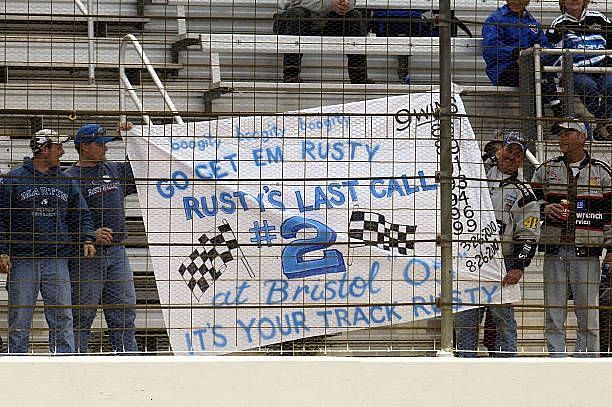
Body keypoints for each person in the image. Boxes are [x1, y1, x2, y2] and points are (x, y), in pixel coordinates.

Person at [0, 129, 96, 353]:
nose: (62, 152)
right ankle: (18, 362)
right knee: (20, 317)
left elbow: (80, 213)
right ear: (44, 149)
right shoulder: (13, 180)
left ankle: (64, 361)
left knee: (62, 316)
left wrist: (87, 237)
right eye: (58, 147)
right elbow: (1, 218)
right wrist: (2, 250)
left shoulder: (65, 180)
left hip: (56, 259)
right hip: (23, 259)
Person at [455, 132, 540, 357]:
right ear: (499, 150)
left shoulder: (525, 193)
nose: (512, 156)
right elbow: (464, 162)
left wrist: (518, 266)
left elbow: (529, 234)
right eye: (509, 150)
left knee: (504, 321)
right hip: (467, 259)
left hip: (501, 263)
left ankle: (507, 362)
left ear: (522, 160)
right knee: (465, 318)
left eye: (518, 154)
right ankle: (464, 364)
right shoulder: (476, 175)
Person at [531, 121, 611, 356]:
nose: (562, 138)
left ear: (583, 137)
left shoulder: (601, 170)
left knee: (588, 312)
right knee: (553, 311)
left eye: (569, 133)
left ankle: (587, 357)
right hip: (555, 250)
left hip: (588, 252)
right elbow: (528, 198)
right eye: (560, 134)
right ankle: (557, 356)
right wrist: (545, 207)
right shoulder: (546, 169)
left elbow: (610, 214)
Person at [64, 123, 139, 353]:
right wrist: (88, 235)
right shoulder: (69, 178)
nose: (105, 149)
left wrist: (131, 136)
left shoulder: (113, 169)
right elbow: (59, 221)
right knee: (82, 313)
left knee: (124, 311)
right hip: (87, 255)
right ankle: (77, 363)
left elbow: (142, 164)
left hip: (117, 251)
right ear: (84, 147)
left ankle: (127, 359)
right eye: (100, 144)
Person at [482, 0, 563, 118]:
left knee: (535, 74)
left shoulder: (532, 22)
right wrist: (516, 53)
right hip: (504, 71)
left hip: (532, 69)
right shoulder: (495, 20)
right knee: (534, 77)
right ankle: (555, 112)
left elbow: (545, 46)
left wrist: (536, 56)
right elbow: (491, 48)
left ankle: (539, 123)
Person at [547, 0, 612, 140]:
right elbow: (553, 54)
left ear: (585, 1)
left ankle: (602, 125)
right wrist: (567, 68)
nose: (574, 0)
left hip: (603, 67)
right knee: (587, 86)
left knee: (611, 84)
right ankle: (604, 123)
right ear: (562, 2)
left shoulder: (599, 18)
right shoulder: (557, 25)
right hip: (576, 71)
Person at [276, 0, 371, 84]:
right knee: (298, 14)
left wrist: (345, 4)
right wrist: (329, 4)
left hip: (325, 22)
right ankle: (291, 75)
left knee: (354, 16)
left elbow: (352, 2)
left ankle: (359, 78)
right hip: (291, 20)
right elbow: (288, 4)